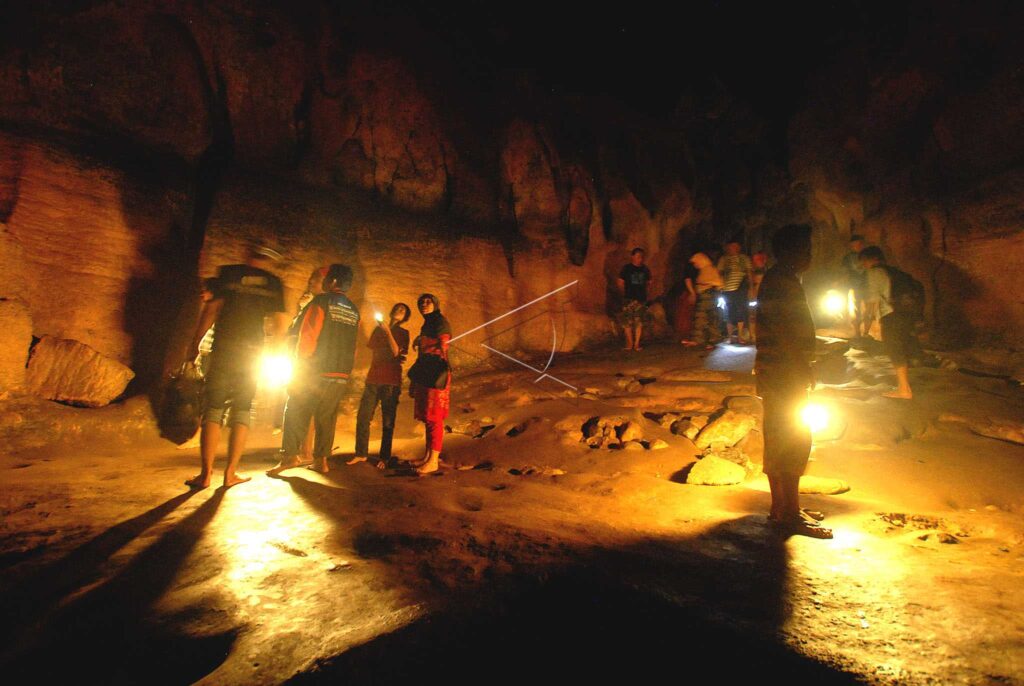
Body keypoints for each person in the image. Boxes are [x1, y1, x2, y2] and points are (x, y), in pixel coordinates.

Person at [185, 245, 287, 490]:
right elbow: (280, 324)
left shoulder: (229, 273)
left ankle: (205, 474)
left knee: (213, 409)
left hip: (224, 350)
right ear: (268, 259)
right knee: (243, 409)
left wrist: (195, 342)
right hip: (251, 354)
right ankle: (230, 473)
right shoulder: (273, 283)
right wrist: (276, 352)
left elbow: (212, 310)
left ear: (248, 254)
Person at [756, 224, 832, 539]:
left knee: (781, 436)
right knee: (793, 438)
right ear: (791, 252)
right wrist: (802, 367)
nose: (810, 256)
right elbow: (785, 331)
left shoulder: (779, 280)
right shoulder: (783, 283)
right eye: (806, 250)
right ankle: (788, 513)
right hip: (784, 373)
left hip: (777, 372)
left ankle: (783, 508)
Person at [268, 264, 360, 476]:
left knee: (295, 409)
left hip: (315, 369)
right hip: (341, 372)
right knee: (327, 417)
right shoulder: (353, 310)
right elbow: (353, 344)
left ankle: (290, 456)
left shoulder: (321, 302)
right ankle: (321, 461)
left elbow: (308, 335)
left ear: (333, 281)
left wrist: (300, 365)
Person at [352, 302, 411, 469]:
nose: (399, 310)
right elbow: (373, 350)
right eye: (397, 308)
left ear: (405, 317)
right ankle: (361, 453)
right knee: (363, 416)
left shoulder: (403, 333)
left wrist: (388, 332)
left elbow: (396, 352)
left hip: (391, 381)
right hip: (373, 379)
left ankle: (384, 457)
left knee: (388, 421)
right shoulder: (378, 330)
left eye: (403, 310)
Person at [859, 246, 914, 399]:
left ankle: (904, 390)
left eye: (863, 262)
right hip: (906, 313)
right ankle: (904, 386)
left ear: (870, 259)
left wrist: (866, 327)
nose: (863, 265)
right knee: (900, 347)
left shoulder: (874, 273)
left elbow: (872, 301)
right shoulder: (895, 272)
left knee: (894, 348)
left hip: (891, 314)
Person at [408, 293, 451, 475]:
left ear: (435, 304)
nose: (424, 304)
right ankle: (428, 456)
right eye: (421, 302)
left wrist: (429, 344)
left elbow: (444, 344)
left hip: (435, 372)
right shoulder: (428, 323)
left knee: (434, 417)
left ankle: (433, 460)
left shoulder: (439, 321)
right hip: (427, 370)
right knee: (428, 416)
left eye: (428, 302)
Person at [717, 240, 754, 344]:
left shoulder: (744, 258)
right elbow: (719, 273)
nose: (733, 248)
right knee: (729, 313)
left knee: (740, 312)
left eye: (735, 246)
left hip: (740, 288)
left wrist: (751, 288)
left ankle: (740, 336)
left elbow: (749, 273)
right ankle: (730, 337)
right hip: (727, 289)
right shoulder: (724, 259)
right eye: (731, 246)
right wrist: (720, 286)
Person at [616, 248, 652, 351]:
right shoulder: (626, 268)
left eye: (641, 257)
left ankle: (636, 344)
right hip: (628, 298)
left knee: (638, 322)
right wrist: (624, 294)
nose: (640, 259)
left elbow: (649, 282)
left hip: (640, 299)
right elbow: (620, 282)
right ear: (632, 257)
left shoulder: (645, 269)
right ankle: (630, 343)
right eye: (638, 256)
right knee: (627, 322)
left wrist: (646, 293)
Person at [688, 252, 723, 349]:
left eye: (696, 262)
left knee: (703, 317)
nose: (695, 265)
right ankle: (708, 340)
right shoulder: (705, 270)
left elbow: (718, 283)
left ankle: (703, 340)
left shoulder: (709, 270)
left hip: (707, 297)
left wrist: (706, 287)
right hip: (707, 296)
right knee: (708, 318)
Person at [842, 235, 868, 338]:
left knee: (869, 308)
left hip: (869, 285)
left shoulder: (869, 255)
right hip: (856, 285)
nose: (856, 247)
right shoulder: (848, 258)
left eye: (859, 245)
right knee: (856, 309)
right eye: (854, 245)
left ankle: (866, 332)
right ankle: (858, 333)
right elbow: (845, 272)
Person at [676, 256, 699, 345]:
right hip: (687, 293)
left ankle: (685, 337)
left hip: (687, 292)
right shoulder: (690, 267)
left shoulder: (689, 267)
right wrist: (692, 293)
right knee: (686, 315)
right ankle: (685, 337)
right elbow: (687, 279)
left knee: (686, 315)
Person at [749, 251, 768, 342]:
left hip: (763, 296)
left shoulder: (766, 271)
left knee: (762, 316)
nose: (759, 261)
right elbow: (751, 284)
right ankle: (753, 335)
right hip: (754, 296)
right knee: (753, 316)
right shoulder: (752, 272)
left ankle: (759, 335)